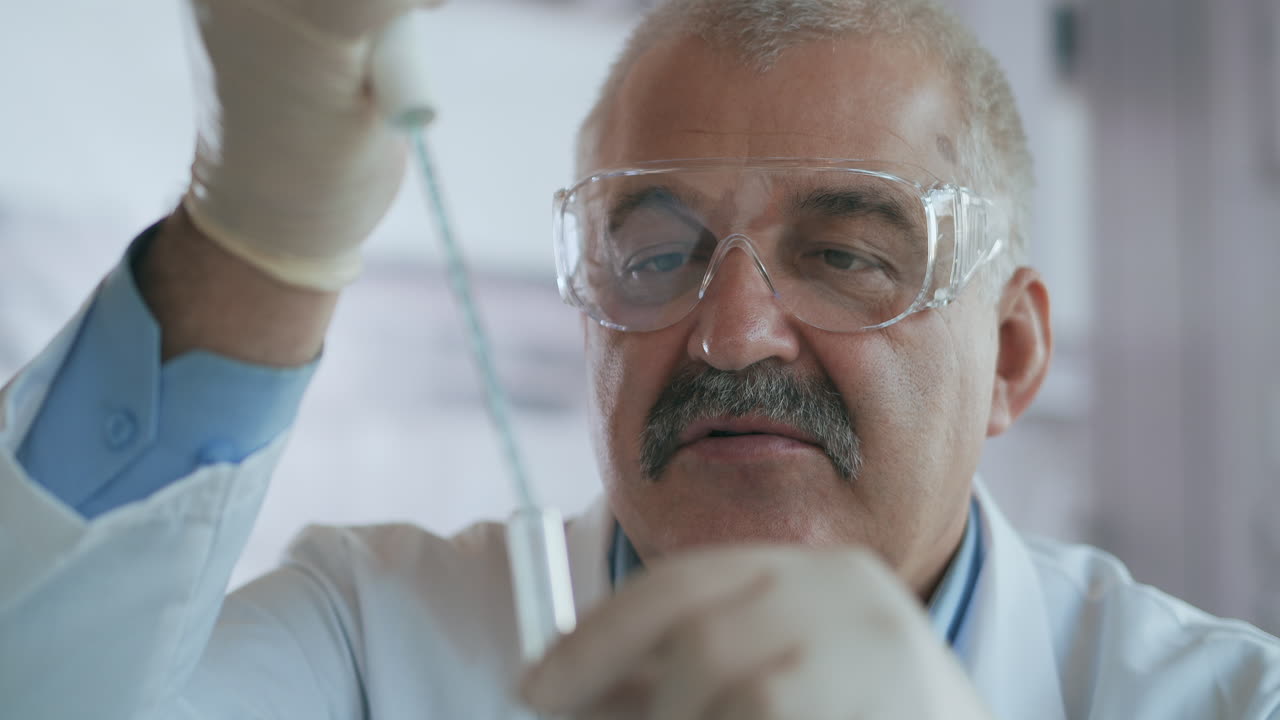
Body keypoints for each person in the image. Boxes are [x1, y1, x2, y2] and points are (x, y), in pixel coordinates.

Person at [1, 0, 1277, 717]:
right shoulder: (375, 641)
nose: (728, 335)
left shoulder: (1213, 699)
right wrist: (256, 235)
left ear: (1008, 356)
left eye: (844, 255)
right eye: (656, 252)